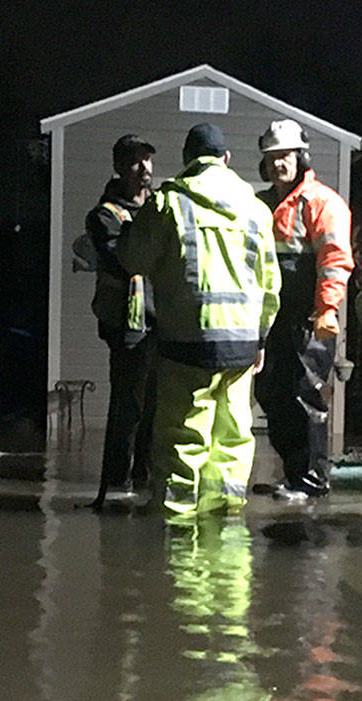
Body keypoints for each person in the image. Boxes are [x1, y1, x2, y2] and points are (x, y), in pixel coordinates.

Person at [116, 123, 281, 516]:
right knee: (234, 436)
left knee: (183, 436)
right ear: (226, 158)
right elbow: (270, 284)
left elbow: (132, 259)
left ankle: (178, 525)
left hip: (187, 343)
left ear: (188, 159)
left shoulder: (168, 202)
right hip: (241, 345)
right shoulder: (255, 208)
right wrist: (261, 338)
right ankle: (225, 519)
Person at [253, 119, 354, 501]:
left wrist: (327, 309)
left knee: (305, 397)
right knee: (271, 394)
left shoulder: (321, 202)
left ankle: (311, 480)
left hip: (308, 321)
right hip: (273, 321)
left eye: (285, 156)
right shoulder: (261, 204)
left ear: (301, 158)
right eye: (272, 157)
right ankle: (294, 473)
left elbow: (334, 261)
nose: (278, 163)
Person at [85, 134, 158, 510]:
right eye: (134, 161)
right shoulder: (104, 216)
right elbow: (127, 260)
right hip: (126, 326)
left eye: (147, 160)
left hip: (161, 322)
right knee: (128, 404)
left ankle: (146, 475)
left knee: (156, 404)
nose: (143, 168)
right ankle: (117, 479)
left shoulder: (160, 207)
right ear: (118, 168)